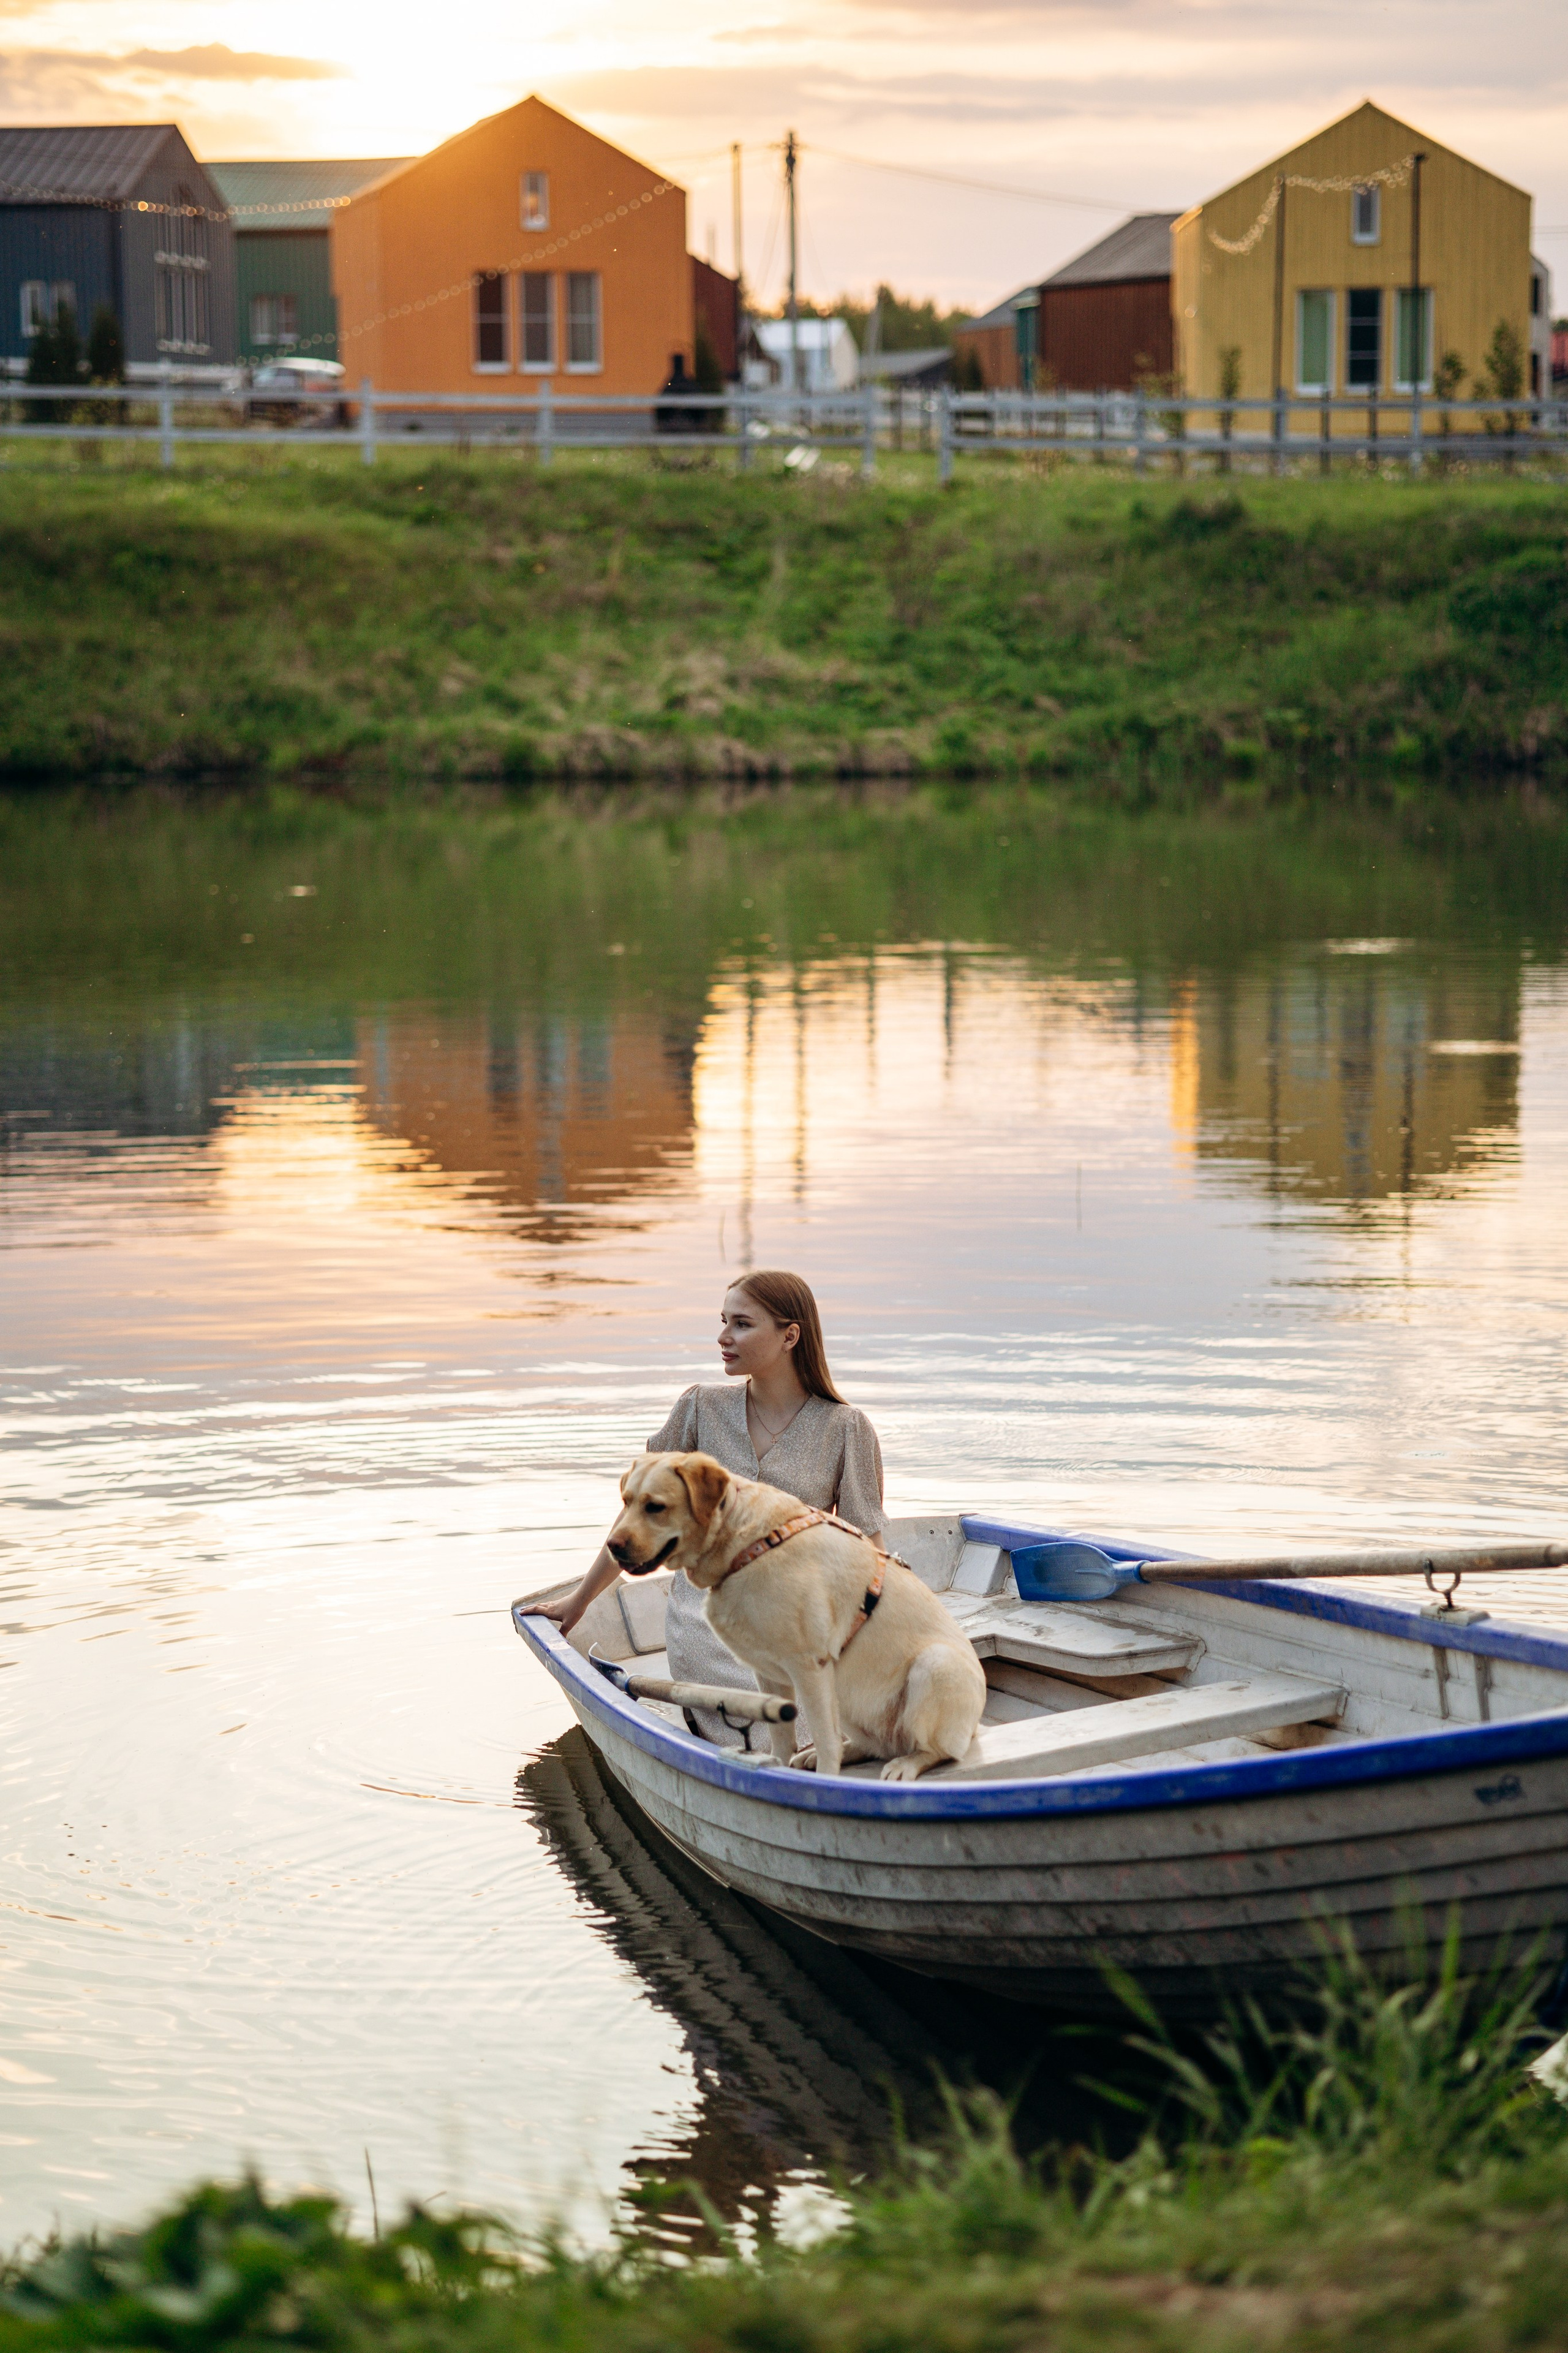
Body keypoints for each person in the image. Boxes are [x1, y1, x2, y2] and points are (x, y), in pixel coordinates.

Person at [538, 1270, 886, 1748]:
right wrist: (579, 1601)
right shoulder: (700, 1409)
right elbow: (638, 1519)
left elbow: (868, 1549)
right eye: (724, 1321)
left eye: (742, 1324)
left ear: (790, 1336)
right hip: (709, 1622)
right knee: (785, 1733)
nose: (723, 1337)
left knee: (837, 1718)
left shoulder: (846, 1429)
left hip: (799, 1624)